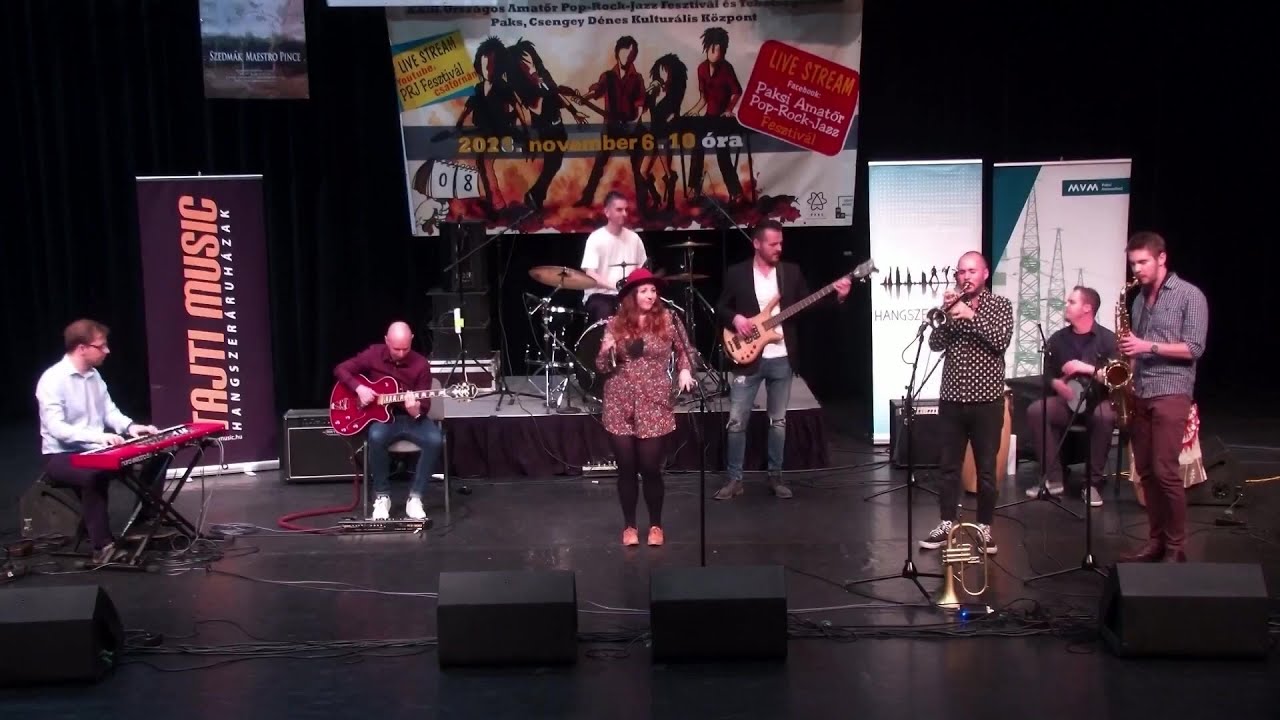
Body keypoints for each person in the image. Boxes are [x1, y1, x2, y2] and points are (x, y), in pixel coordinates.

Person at [712, 220, 851, 500]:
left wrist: (837, 297)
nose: (779, 248)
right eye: (773, 244)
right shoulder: (737, 273)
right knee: (737, 421)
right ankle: (735, 479)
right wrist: (735, 318)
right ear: (757, 244)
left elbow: (808, 304)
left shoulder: (790, 272)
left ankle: (775, 476)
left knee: (778, 421)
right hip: (747, 358)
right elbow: (721, 307)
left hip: (781, 358)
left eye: (781, 243)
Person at [36, 319, 161, 565]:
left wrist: (131, 427)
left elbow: (109, 412)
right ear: (82, 348)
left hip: (97, 449)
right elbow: (56, 428)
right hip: (61, 456)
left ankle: (144, 522)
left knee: (156, 454)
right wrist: (98, 437)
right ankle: (102, 547)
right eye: (101, 346)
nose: (107, 350)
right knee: (93, 475)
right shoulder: (52, 380)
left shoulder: (94, 376)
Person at [1117, 231, 1208, 563]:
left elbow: (1194, 348)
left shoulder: (1189, 295)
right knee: (1145, 472)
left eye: (1143, 262)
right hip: (1141, 391)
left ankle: (1175, 546)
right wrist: (1127, 370)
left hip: (1171, 391)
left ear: (1162, 258)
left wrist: (1146, 346)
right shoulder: (1139, 299)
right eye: (1133, 264)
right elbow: (1136, 349)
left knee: (1165, 471)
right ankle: (1155, 541)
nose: (1137, 269)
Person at [918, 252, 1013, 555]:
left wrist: (971, 315)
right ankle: (946, 523)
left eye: (971, 271)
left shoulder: (1000, 305)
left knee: (986, 470)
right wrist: (947, 314)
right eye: (961, 272)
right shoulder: (952, 306)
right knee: (948, 467)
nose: (965, 276)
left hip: (987, 402)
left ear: (985, 274)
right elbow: (935, 344)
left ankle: (984, 527)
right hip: (952, 400)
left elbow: (1000, 341)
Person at [596, 268, 697, 546]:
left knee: (651, 467)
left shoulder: (668, 319)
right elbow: (602, 367)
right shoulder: (615, 324)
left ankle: (655, 525)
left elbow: (685, 350)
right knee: (626, 467)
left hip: (654, 401)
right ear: (632, 295)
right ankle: (629, 526)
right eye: (644, 291)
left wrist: (684, 370)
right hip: (619, 400)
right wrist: (606, 351)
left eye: (653, 290)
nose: (651, 295)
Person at [334, 321, 443, 522]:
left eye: (405, 348)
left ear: (412, 340)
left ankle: (416, 498)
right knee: (376, 437)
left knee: (435, 440)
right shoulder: (373, 354)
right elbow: (341, 369)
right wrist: (359, 388)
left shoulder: (421, 365)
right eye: (396, 349)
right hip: (383, 419)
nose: (401, 354)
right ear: (386, 341)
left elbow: (425, 405)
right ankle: (382, 497)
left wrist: (415, 409)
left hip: (411, 418)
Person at [1024, 286, 1118, 507]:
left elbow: (1116, 377)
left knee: (1105, 416)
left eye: (1072, 302)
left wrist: (1084, 368)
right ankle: (1054, 478)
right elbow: (1048, 374)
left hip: (1097, 400)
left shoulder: (1107, 339)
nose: (1066, 305)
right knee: (1037, 411)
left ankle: (1092, 483)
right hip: (1068, 401)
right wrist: (1056, 384)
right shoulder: (1058, 339)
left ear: (1087, 308)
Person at [581, 190, 649, 323]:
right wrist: (615, 287)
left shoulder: (634, 238)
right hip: (600, 295)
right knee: (604, 310)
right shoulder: (596, 238)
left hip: (628, 296)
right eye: (619, 210)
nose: (624, 214)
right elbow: (590, 273)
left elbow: (642, 269)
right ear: (607, 212)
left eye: (626, 210)